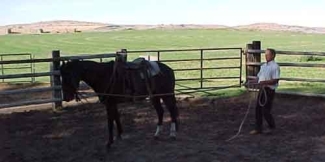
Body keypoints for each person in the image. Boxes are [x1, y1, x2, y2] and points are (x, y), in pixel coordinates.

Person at [248, 48, 280, 135]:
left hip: (269, 91)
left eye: (268, 54)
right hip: (262, 90)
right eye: (265, 54)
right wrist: (251, 82)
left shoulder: (275, 67)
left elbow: (275, 80)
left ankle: (272, 126)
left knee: (265, 110)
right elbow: (259, 78)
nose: (266, 56)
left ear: (273, 55)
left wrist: (263, 83)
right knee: (258, 109)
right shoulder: (263, 66)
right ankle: (258, 128)